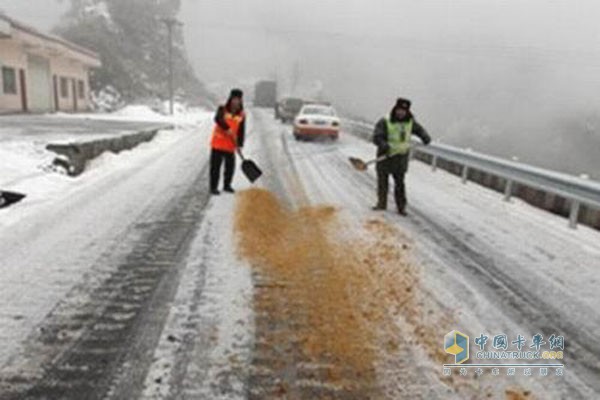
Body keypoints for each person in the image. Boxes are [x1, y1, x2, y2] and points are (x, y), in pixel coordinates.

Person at [372, 98, 431, 215]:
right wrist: (383, 145)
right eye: (399, 109)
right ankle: (381, 203)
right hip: (385, 156)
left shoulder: (410, 122)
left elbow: (420, 130)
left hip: (400, 158)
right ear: (395, 108)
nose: (401, 112)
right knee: (382, 182)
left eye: (403, 110)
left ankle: (401, 207)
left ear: (407, 111)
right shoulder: (385, 121)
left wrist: (425, 137)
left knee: (400, 184)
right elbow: (376, 136)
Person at [209, 89, 246, 195]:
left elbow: (241, 130)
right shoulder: (222, 109)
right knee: (215, 167)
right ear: (230, 99)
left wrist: (239, 144)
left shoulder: (242, 114)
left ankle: (227, 185)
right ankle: (213, 187)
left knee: (230, 167)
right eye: (234, 99)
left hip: (230, 145)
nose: (236, 101)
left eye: (238, 99)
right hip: (218, 144)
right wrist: (227, 128)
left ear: (240, 101)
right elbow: (217, 119)